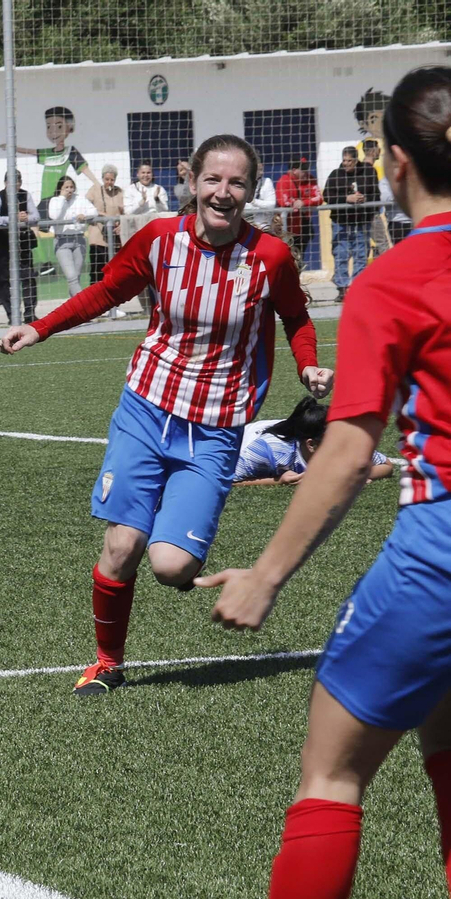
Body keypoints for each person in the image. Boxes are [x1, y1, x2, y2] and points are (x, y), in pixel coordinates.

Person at [197, 67, 451, 898]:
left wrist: (264, 576)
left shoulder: (395, 278)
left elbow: (345, 455)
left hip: (440, 557)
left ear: (394, 165)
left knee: (333, 776)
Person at [0, 133, 331, 697]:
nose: (223, 192)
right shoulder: (159, 239)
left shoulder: (269, 255)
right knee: (122, 546)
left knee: (172, 567)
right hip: (146, 409)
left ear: (251, 190)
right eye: (213, 180)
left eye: (237, 182)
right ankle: (107, 662)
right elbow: (107, 290)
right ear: (193, 182)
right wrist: (41, 326)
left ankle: (173, 531)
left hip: (217, 426)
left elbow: (296, 318)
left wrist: (309, 367)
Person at [233, 397, 393, 486]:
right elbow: (231, 480)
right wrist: (277, 480)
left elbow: (386, 466)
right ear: (311, 445)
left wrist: (351, 475)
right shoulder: (270, 450)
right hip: (241, 440)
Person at [323, 145, 382, 301]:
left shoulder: (369, 172)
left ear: (356, 160)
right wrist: (346, 199)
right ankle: (342, 289)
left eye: (350, 160)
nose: (346, 164)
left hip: (362, 221)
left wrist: (365, 200)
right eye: (344, 160)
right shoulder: (336, 174)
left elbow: (376, 195)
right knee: (340, 254)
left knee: (361, 255)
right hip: (341, 222)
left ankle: (357, 288)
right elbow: (327, 195)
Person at [0, 171, 41, 321]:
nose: (16, 185)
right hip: (3, 244)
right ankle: (12, 314)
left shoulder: (26, 195)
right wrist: (13, 218)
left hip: (23, 243)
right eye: (12, 182)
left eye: (18, 182)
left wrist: (26, 218)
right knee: (5, 279)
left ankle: (30, 313)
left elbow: (36, 216)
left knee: (28, 278)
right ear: (5, 183)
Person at [46, 174, 98, 302]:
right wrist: (63, 198)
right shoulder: (55, 201)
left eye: (71, 187)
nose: (69, 190)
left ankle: (74, 310)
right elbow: (54, 215)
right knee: (71, 276)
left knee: (76, 277)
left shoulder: (80, 199)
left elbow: (94, 211)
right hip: (62, 241)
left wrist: (84, 215)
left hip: (79, 240)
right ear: (60, 189)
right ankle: (85, 306)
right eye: (66, 187)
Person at [276, 158, 324, 267]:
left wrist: (303, 202)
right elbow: (283, 201)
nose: (306, 172)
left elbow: (319, 198)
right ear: (294, 170)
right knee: (285, 256)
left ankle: (297, 279)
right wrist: (295, 202)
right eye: (303, 169)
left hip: (304, 225)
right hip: (287, 227)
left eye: (307, 169)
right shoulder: (284, 181)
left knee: (299, 257)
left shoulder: (310, 179)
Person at [86, 164, 125, 294]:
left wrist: (121, 224)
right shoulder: (95, 190)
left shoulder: (119, 192)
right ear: (103, 178)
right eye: (107, 179)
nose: (109, 182)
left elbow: (125, 210)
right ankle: (93, 299)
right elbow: (84, 206)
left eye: (112, 180)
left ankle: (111, 302)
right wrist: (99, 213)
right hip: (98, 236)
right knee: (97, 270)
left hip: (114, 237)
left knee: (113, 271)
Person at [121, 162, 169, 242]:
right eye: (143, 172)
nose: (146, 175)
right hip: (137, 230)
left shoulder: (159, 188)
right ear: (138, 174)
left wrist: (157, 199)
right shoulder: (130, 189)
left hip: (156, 230)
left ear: (152, 174)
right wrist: (141, 203)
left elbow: (165, 210)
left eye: (148, 173)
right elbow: (128, 212)